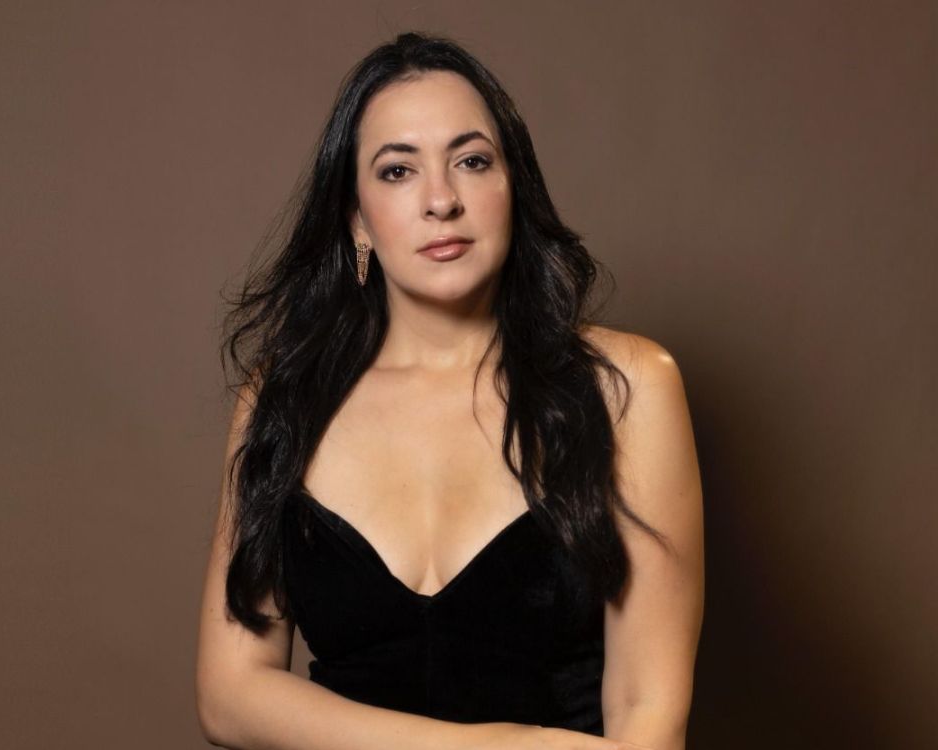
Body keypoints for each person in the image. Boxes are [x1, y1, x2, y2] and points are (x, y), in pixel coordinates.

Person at [195, 31, 703, 750]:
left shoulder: (628, 389)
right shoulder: (283, 400)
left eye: (471, 161)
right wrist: (502, 748)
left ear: (512, 187)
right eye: (398, 171)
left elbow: (648, 710)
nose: (441, 200)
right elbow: (230, 695)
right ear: (357, 219)